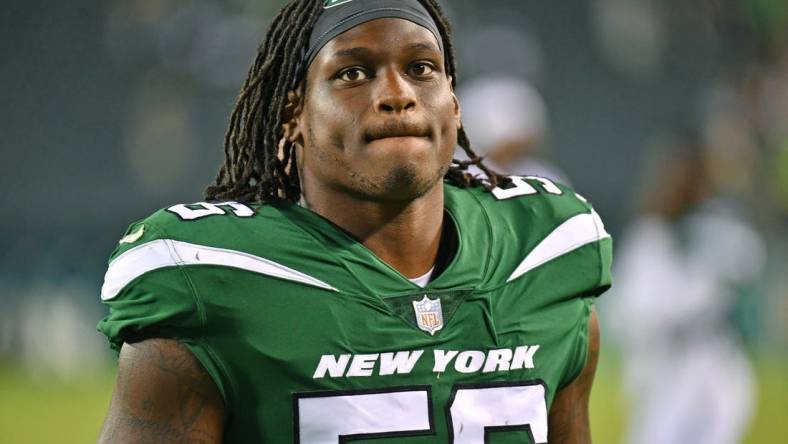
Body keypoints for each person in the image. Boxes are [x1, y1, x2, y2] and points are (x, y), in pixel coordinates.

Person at [96, 1, 612, 442]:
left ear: (453, 103)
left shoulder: (546, 251)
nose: (397, 95)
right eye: (353, 73)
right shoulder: (212, 277)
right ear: (291, 113)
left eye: (421, 69)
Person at [609, 144, 764, 444]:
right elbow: (626, 312)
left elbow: (748, 267)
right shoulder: (648, 239)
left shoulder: (717, 230)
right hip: (662, 368)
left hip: (715, 361)